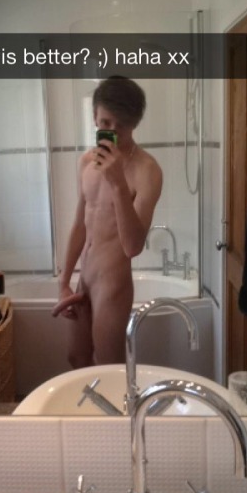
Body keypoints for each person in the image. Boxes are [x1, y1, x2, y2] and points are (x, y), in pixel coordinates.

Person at [53, 76, 162, 367]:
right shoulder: (86, 162)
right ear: (94, 117)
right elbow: (79, 225)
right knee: (76, 359)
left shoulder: (147, 170)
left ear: (134, 123)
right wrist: (64, 283)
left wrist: (117, 184)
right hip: (84, 277)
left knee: (108, 365)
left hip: (112, 284)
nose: (112, 131)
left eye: (121, 125)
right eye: (105, 123)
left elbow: (132, 247)